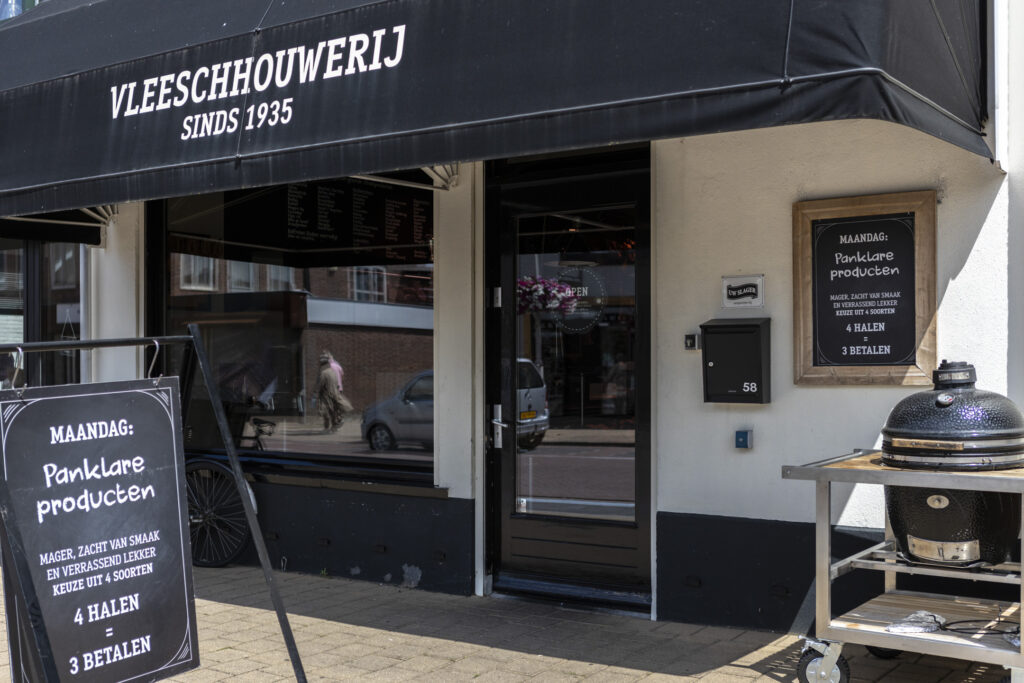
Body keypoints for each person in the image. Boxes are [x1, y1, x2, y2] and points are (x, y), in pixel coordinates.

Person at [315, 353, 345, 432]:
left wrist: (317, 392)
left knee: (327, 409)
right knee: (335, 407)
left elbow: (321, 382)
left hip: (327, 391)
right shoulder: (337, 366)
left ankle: (328, 426)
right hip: (338, 389)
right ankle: (337, 423)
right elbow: (342, 375)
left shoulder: (325, 369)